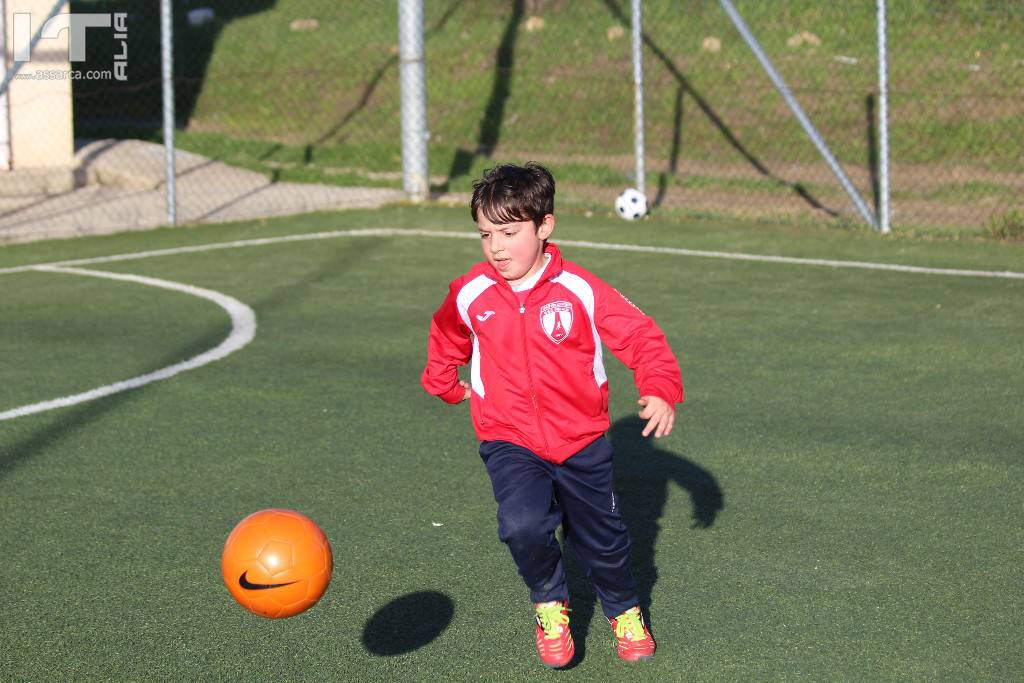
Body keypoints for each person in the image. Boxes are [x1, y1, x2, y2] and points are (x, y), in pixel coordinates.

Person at [421, 162, 683, 668]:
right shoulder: (470, 292)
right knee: (522, 524)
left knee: (600, 540)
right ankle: (549, 603)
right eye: (485, 234)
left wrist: (660, 387)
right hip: (509, 437)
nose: (496, 247)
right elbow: (446, 333)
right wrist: (442, 379)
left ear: (545, 227)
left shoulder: (580, 289)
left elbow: (640, 335)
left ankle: (625, 610)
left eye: (509, 232)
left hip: (581, 440)